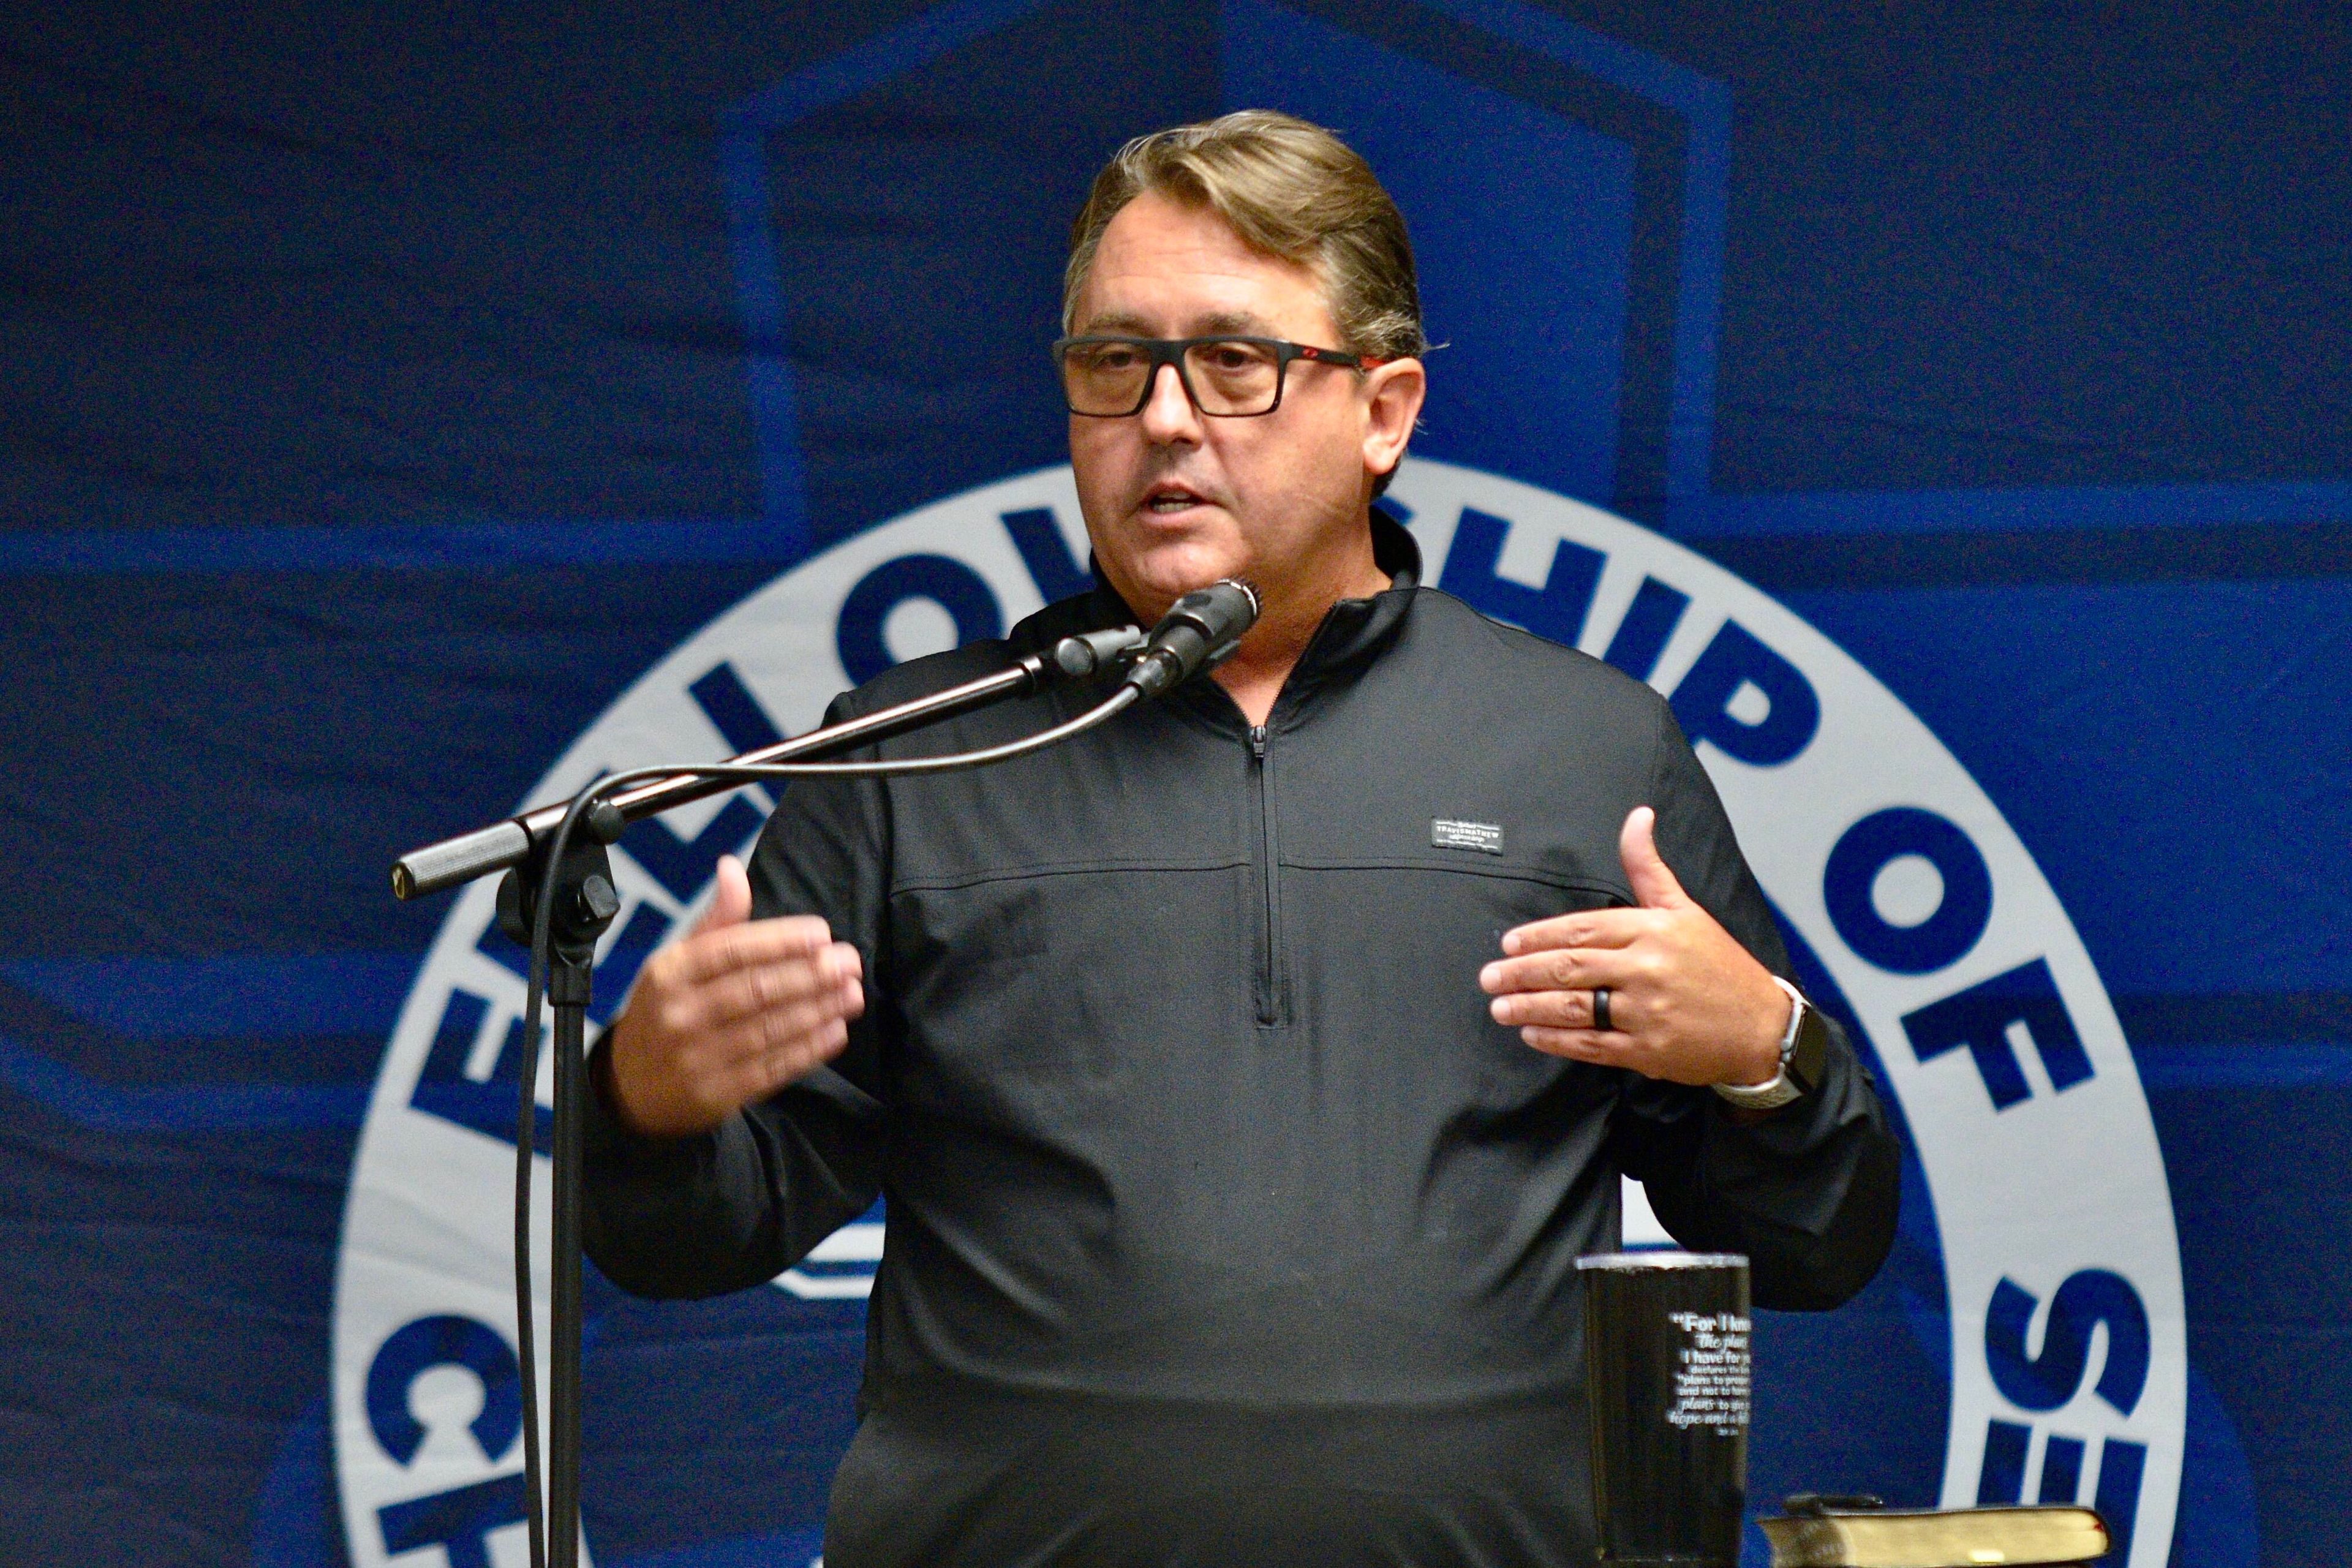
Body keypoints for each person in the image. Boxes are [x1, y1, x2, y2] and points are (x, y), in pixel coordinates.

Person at [584, 110, 1898, 1565]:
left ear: (1384, 410)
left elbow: (1817, 1244)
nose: (1163, 416)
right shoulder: (914, 750)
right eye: (1114, 363)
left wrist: (1766, 1055)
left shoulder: (1588, 750)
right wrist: (648, 1103)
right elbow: (688, 1239)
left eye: (1234, 361)